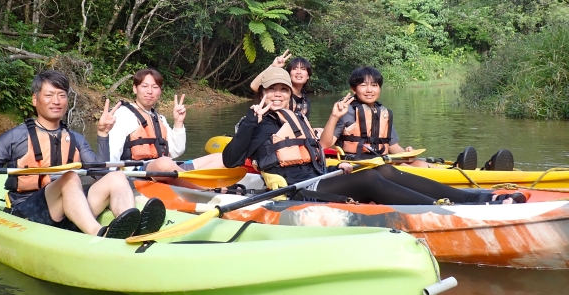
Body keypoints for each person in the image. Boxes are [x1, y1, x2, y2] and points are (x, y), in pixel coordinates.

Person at [223, 68, 525, 205]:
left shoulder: (296, 117)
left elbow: (316, 154)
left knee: (384, 170)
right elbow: (230, 159)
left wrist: (335, 166)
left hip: (318, 178)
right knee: (369, 178)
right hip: (295, 191)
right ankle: (446, 208)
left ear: (290, 93)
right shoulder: (254, 122)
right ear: (262, 93)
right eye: (271, 90)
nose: (277, 94)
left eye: (283, 90)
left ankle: (478, 197)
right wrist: (250, 121)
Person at [0, 70, 166, 239]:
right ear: (35, 100)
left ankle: (132, 231)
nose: (56, 101)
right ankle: (100, 234)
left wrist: (102, 133)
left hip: (69, 210)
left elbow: (100, 173)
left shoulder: (76, 138)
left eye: (62, 95)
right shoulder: (15, 137)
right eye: (49, 95)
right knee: (70, 177)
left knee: (117, 177)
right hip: (28, 211)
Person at [107, 68, 225, 189]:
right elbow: (112, 153)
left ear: (160, 92)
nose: (149, 91)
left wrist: (178, 122)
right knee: (164, 163)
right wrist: (111, 180)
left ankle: (191, 182)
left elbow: (176, 151)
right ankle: (205, 188)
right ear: (135, 88)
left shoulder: (160, 118)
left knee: (222, 158)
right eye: (144, 86)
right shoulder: (122, 114)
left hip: (167, 169)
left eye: (155, 87)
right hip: (139, 173)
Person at [320, 66, 430, 167]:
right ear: (354, 89)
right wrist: (334, 116)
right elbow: (324, 145)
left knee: (422, 164)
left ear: (379, 88)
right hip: (356, 163)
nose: (369, 90)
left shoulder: (383, 113)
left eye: (374, 85)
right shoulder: (346, 111)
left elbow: (393, 147)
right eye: (363, 85)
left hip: (381, 160)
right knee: (406, 167)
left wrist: (406, 153)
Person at [250, 50, 312, 117]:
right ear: (288, 74)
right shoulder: (282, 97)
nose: (298, 72)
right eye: (294, 68)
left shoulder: (305, 99)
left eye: (303, 69)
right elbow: (254, 86)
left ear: (308, 76)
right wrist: (273, 66)